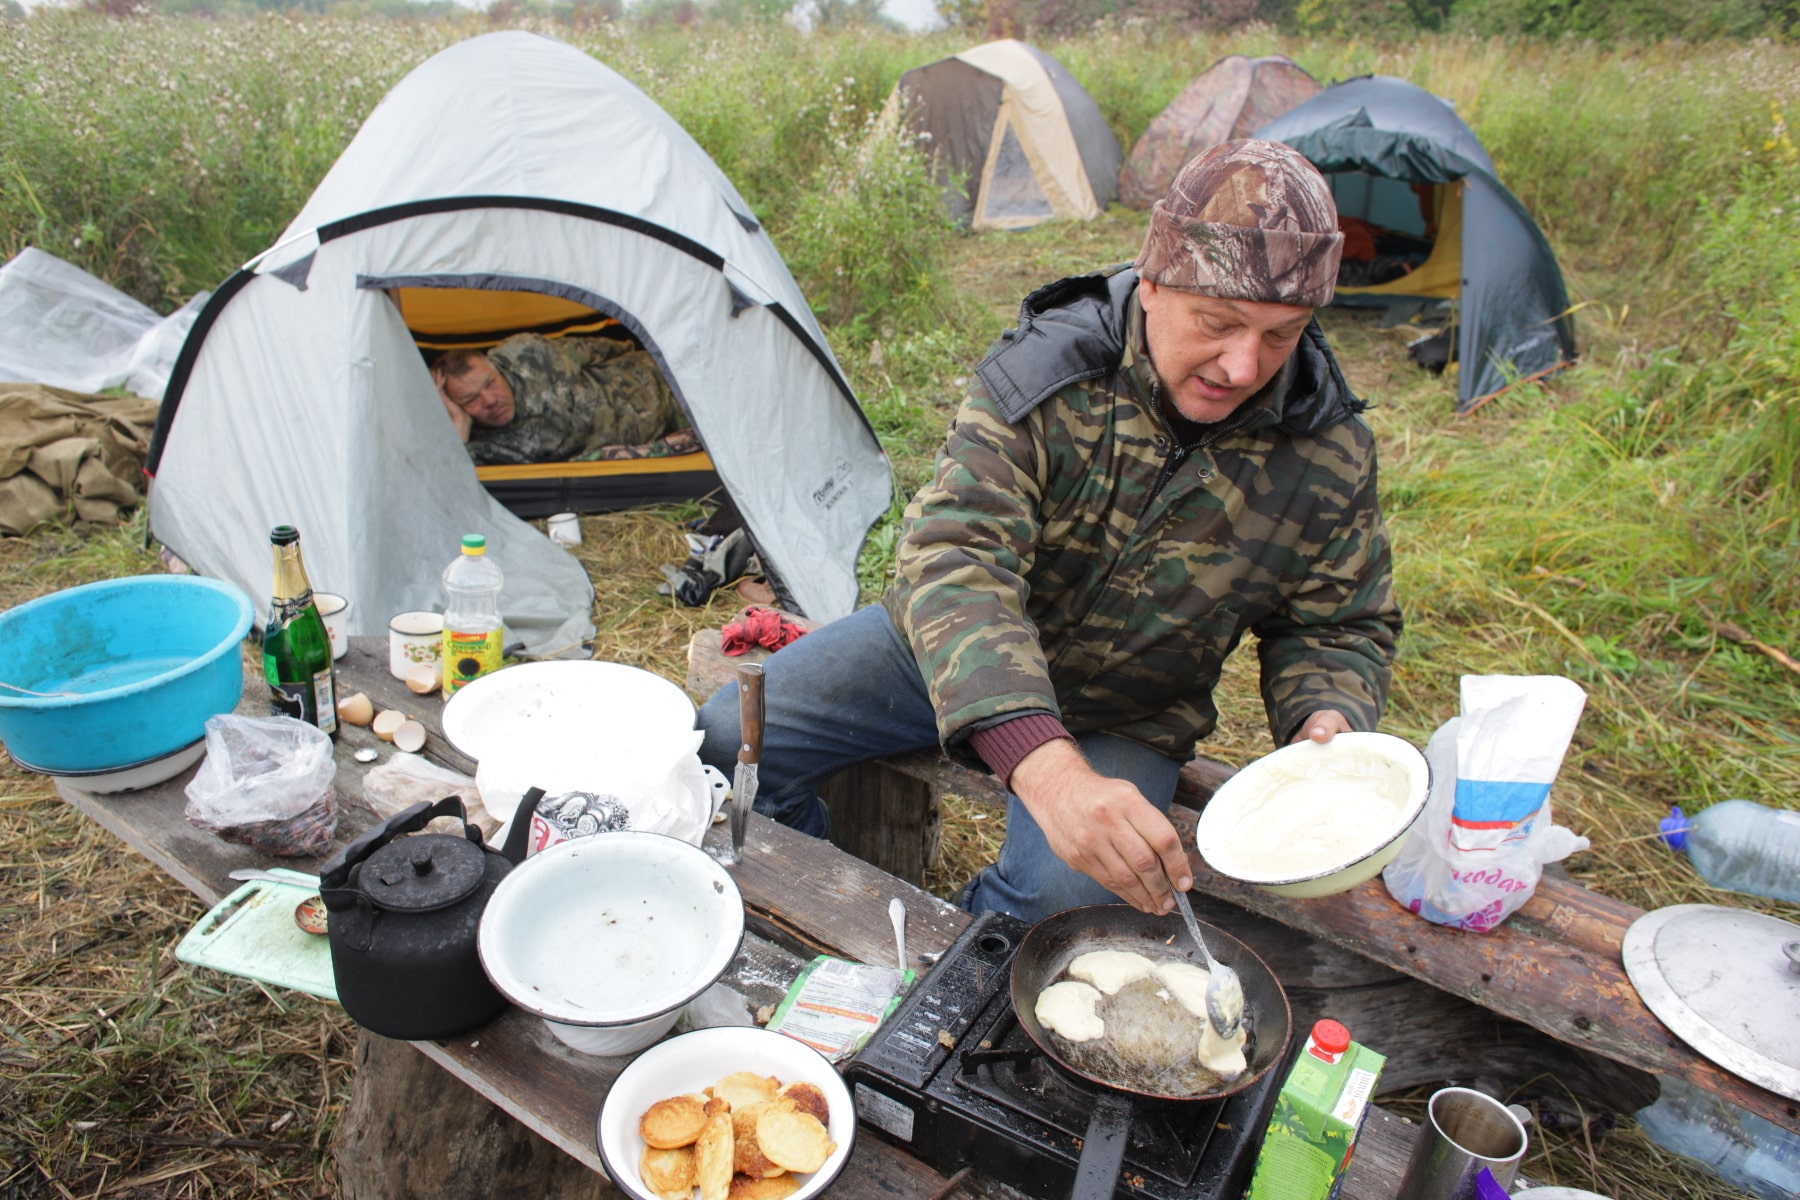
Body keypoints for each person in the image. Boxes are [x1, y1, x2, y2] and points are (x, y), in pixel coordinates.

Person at [696, 140, 1403, 924]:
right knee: (726, 746)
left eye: (1282, 335)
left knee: (1064, 905)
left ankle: (954, 972)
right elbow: (957, 555)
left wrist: (1325, 717)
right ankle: (822, 914)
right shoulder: (1053, 372)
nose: (1243, 365)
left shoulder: (1324, 447)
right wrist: (1042, 766)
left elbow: (1339, 620)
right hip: (937, 653)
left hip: (1125, 708)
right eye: (1219, 322)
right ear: (1157, 285)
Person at [431, 332, 681, 466]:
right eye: (470, 399)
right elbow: (454, 487)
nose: (489, 400)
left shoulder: (527, 354)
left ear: (496, 368)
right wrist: (459, 428)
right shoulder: (482, 448)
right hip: (664, 427)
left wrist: (644, 350)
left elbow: (594, 349)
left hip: (662, 379)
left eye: (490, 384)